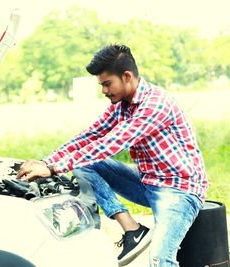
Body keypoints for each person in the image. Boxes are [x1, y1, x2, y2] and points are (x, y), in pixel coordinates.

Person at [16, 44, 208, 266]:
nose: (104, 91)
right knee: (85, 165)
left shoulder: (155, 104)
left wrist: (53, 168)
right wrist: (47, 161)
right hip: (148, 182)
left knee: (160, 259)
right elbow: (89, 136)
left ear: (127, 77)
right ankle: (133, 230)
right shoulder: (122, 105)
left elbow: (111, 143)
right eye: (102, 85)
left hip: (178, 191)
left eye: (107, 84)